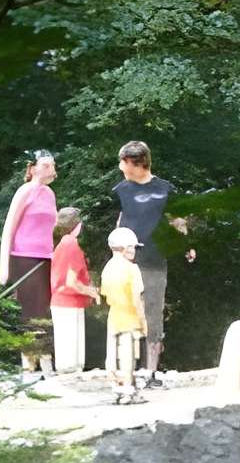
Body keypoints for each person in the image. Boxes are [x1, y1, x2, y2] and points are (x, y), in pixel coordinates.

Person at [111, 140, 193, 388]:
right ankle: (128, 369)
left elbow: (178, 220)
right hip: (127, 263)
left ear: (134, 163)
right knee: (127, 312)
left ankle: (151, 371)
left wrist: (188, 244)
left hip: (155, 259)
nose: (119, 166)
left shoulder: (165, 189)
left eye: (121, 161)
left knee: (153, 313)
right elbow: (119, 223)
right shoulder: (120, 190)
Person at [0, 150, 59, 375]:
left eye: (52, 165)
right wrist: (4, 266)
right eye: (45, 165)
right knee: (31, 312)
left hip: (46, 258)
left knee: (44, 310)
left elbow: (51, 227)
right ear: (32, 168)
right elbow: (8, 228)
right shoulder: (25, 191)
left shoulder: (49, 194)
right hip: (23, 257)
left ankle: (41, 360)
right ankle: (32, 362)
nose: (50, 169)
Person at [48, 207, 98, 374]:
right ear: (78, 225)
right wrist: (92, 292)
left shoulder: (62, 243)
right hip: (69, 303)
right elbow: (72, 282)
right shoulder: (71, 245)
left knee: (66, 358)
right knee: (71, 365)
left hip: (59, 301)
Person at [102, 226, 147, 405]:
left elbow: (105, 294)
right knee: (128, 357)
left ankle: (117, 390)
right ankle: (128, 391)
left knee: (112, 356)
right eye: (133, 247)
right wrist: (144, 321)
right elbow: (137, 298)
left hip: (113, 317)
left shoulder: (108, 269)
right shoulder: (132, 269)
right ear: (126, 247)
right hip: (129, 318)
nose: (134, 250)